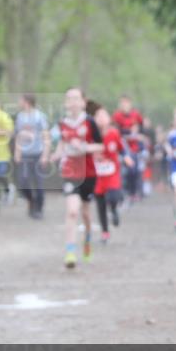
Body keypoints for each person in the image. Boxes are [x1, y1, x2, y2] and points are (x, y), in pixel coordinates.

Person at [51, 88, 103, 269]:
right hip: (70, 172)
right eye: (69, 99)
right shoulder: (62, 124)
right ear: (66, 103)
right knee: (72, 211)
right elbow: (61, 145)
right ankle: (70, 252)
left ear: (82, 102)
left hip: (88, 173)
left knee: (85, 214)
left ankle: (87, 239)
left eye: (76, 98)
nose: (72, 102)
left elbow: (101, 146)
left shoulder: (89, 122)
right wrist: (53, 156)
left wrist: (84, 147)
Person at [92, 105, 129, 244]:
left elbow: (122, 148)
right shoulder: (91, 135)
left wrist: (126, 157)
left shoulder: (114, 133)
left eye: (104, 115)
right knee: (100, 204)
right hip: (97, 175)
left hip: (112, 173)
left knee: (113, 197)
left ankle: (113, 210)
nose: (101, 118)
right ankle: (105, 232)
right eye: (98, 116)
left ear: (109, 119)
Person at [13, 93, 51, 219]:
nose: (18, 102)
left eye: (20, 100)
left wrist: (45, 154)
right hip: (25, 155)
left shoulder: (40, 116)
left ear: (27, 102)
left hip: (38, 154)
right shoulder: (20, 117)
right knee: (23, 182)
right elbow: (18, 135)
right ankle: (31, 201)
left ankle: (39, 209)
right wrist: (17, 152)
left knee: (39, 183)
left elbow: (46, 136)